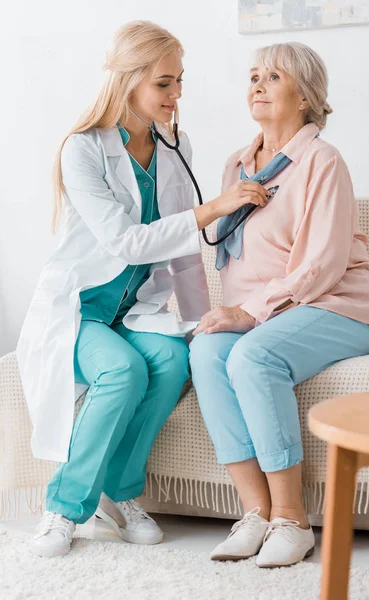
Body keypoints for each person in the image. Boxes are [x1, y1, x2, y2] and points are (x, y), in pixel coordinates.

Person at [17, 20, 268, 558]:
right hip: (80, 311)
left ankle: (120, 491)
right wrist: (215, 207)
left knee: (173, 360)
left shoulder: (175, 148)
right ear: (128, 79)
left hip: (135, 312)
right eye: (164, 83)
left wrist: (204, 324)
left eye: (179, 82)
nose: (177, 95)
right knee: (121, 370)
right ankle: (63, 507)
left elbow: (181, 253)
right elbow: (125, 241)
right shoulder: (82, 149)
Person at [189, 42, 369, 568]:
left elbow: (321, 264)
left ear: (305, 96)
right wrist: (227, 316)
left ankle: (292, 520)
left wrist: (250, 315)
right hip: (271, 309)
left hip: (338, 304)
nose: (256, 84)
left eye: (272, 77)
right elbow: (236, 259)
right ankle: (254, 513)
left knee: (253, 356)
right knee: (207, 352)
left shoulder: (322, 160)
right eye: (253, 75)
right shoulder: (237, 164)